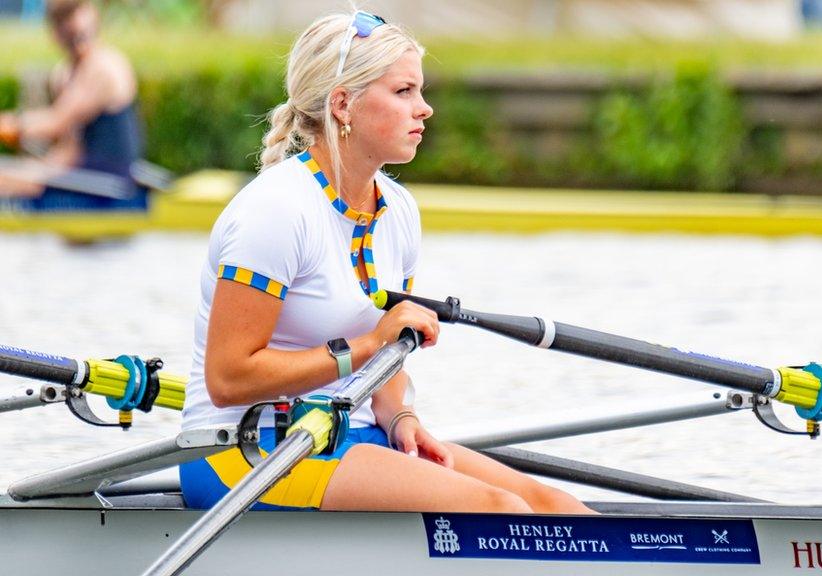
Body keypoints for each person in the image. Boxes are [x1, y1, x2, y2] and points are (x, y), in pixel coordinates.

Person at [179, 10, 594, 515]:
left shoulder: (397, 210)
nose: (425, 110)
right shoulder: (276, 211)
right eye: (404, 92)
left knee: (556, 506)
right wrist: (368, 344)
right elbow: (228, 379)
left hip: (347, 434)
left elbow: (389, 351)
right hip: (242, 450)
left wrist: (401, 418)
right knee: (500, 510)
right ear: (343, 105)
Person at [0, 0, 146, 210]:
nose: (75, 24)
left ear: (92, 15)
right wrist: (37, 172)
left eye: (76, 13)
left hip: (113, 191)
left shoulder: (106, 66)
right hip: (81, 180)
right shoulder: (62, 75)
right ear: (54, 32)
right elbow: (70, 149)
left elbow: (56, 122)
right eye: (63, 18)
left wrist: (12, 125)